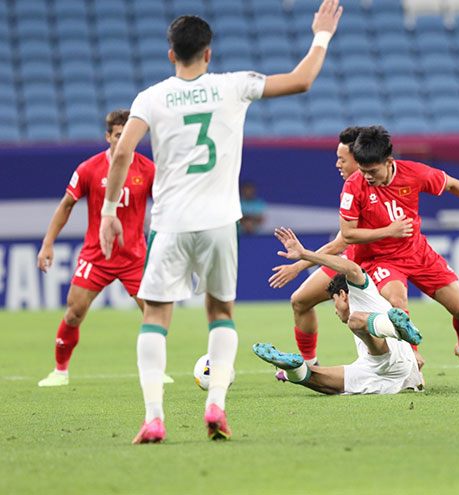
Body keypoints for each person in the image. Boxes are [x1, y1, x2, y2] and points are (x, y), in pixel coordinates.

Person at [98, 2, 343, 444]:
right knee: (221, 314)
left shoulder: (150, 98)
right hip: (218, 224)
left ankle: (154, 417)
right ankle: (216, 407)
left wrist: (110, 210)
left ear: (171, 54)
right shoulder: (234, 86)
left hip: (170, 224)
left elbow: (121, 154)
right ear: (208, 53)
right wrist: (321, 34)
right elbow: (303, 79)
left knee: (155, 315)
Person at [338, 126, 459, 381]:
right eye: (363, 171)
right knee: (397, 302)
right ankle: (412, 356)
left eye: (372, 171)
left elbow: (451, 184)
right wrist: (388, 231)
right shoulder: (354, 186)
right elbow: (348, 234)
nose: (367, 177)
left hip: (418, 253)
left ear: (389, 162)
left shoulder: (414, 173)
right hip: (380, 259)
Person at [36, 110, 174, 387]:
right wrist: (48, 243)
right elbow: (66, 205)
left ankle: (155, 371)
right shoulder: (89, 168)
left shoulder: (148, 170)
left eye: (128, 136)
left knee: (153, 312)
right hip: (96, 256)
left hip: (135, 257)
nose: (123, 141)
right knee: (74, 312)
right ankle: (60, 371)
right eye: (118, 136)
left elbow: (165, 207)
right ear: (108, 136)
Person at [253, 227, 424, 395]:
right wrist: (291, 373)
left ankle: (396, 330)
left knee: (355, 321)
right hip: (377, 370)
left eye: (334, 302)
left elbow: (352, 269)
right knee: (318, 381)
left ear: (342, 295)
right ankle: (295, 368)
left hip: (395, 358)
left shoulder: (362, 292)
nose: (335, 311)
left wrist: (304, 254)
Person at [267, 126, 364, 366]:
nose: (337, 165)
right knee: (300, 300)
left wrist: (299, 266)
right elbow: (342, 243)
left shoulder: (369, 183)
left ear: (358, 158)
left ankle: (403, 361)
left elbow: (340, 242)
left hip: (376, 263)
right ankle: (310, 366)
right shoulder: (351, 186)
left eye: (342, 159)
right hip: (351, 260)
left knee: (367, 314)